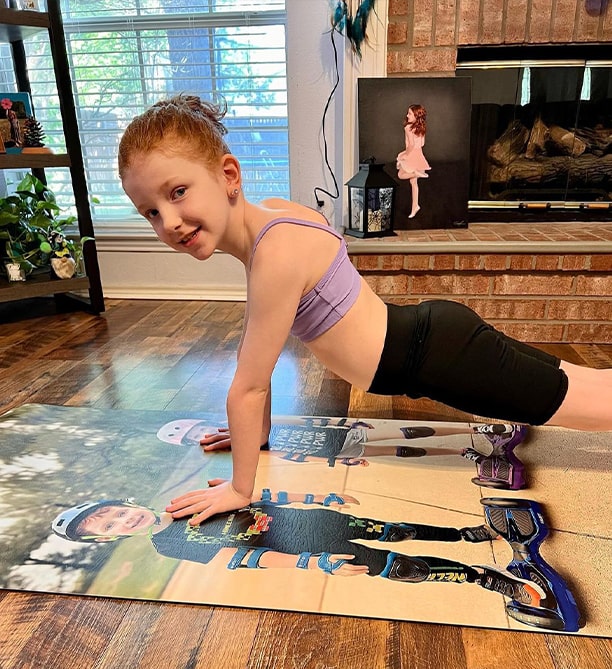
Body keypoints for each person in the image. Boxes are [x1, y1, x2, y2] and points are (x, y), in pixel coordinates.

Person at [117, 94, 612, 525]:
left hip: (435, 358)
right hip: (433, 335)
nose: (171, 222)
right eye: (151, 212)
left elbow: (248, 383)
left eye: (178, 192)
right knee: (580, 382)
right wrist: (258, 433)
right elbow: (260, 353)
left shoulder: (275, 254)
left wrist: (240, 490)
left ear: (228, 175)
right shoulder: (274, 216)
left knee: (585, 408)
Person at [51, 491, 582, 631]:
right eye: (108, 531)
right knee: (397, 565)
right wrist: (313, 567)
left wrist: (314, 499)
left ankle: (473, 533)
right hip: (304, 550)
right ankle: (489, 580)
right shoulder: (167, 545)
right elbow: (245, 563)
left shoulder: (178, 498)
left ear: (124, 504)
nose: (122, 523)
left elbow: (253, 494)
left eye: (113, 514)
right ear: (107, 544)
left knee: (393, 529)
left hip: (311, 522)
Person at [158, 415, 528, 489]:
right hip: (336, 451)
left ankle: (484, 429)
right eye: (196, 438)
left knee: (407, 430)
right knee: (400, 450)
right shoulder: (232, 452)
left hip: (339, 435)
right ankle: (468, 452)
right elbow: (288, 460)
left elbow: (292, 423)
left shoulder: (247, 421)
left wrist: (331, 426)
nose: (203, 436)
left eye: (199, 428)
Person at [396, 104, 430, 219]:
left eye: (410, 113)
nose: (407, 115)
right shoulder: (421, 128)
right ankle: (415, 206)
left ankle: (416, 173)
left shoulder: (408, 128)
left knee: (401, 174)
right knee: (413, 183)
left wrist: (405, 154)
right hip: (419, 155)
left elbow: (410, 145)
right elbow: (422, 144)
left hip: (411, 154)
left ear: (416, 116)